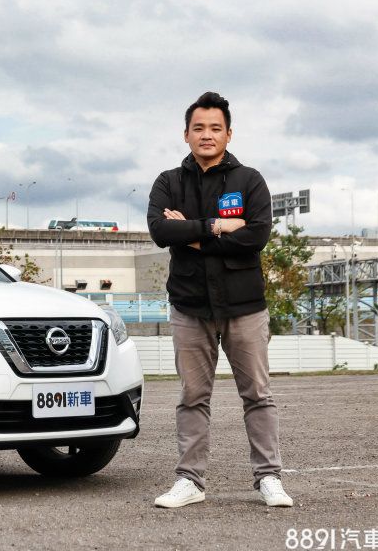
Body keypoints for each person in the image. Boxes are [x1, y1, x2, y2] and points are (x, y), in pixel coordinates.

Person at [147, 91, 293, 508]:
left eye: (215, 128)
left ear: (229, 134)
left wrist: (191, 235)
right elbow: (160, 231)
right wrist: (217, 226)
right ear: (186, 134)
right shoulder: (168, 182)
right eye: (198, 128)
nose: (206, 135)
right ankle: (190, 481)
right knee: (192, 397)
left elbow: (256, 236)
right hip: (189, 307)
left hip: (245, 307)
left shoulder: (250, 180)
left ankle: (269, 477)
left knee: (257, 395)